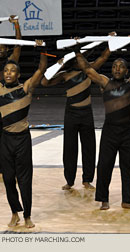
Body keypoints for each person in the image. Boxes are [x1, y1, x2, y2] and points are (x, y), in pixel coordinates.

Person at [74, 40, 130, 210]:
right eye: (115, 66)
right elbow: (87, 69)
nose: (117, 68)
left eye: (121, 66)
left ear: (126, 70)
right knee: (104, 165)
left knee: (129, 166)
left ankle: (127, 200)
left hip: (127, 131)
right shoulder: (104, 83)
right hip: (110, 130)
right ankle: (103, 199)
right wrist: (77, 51)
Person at [41, 42, 113, 190]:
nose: (77, 62)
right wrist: (59, 65)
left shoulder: (89, 70)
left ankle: (87, 179)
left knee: (89, 148)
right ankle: (70, 180)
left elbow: (104, 56)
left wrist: (109, 41)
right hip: (71, 114)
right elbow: (44, 82)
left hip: (86, 113)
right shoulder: (65, 75)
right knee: (70, 148)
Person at [0, 40, 47, 228]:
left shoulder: (26, 88)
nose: (8, 73)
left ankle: (27, 215)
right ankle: (14, 213)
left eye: (12, 71)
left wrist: (42, 48)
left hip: (22, 140)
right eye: (6, 71)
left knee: (24, 180)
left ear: (18, 74)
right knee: (9, 179)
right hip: (5, 140)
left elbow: (42, 68)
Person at [0, 15, 22, 175]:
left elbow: (18, 45)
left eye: (3, 47)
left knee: (9, 135)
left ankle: (11, 167)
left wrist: (16, 25)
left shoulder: (10, 61)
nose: (0, 49)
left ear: (6, 49)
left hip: (9, 102)